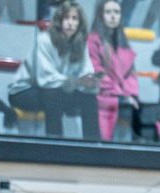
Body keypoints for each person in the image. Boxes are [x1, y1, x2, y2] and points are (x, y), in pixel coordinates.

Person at [7, 0, 101, 140]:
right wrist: (77, 82)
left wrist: (91, 83)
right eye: (66, 18)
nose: (70, 22)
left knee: (89, 99)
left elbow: (86, 73)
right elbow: (46, 79)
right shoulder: (45, 40)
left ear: (80, 23)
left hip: (59, 88)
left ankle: (94, 147)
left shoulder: (81, 44)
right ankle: (55, 145)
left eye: (74, 19)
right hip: (24, 91)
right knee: (53, 94)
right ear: (59, 20)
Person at [87, 0, 140, 142]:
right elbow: (97, 72)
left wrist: (131, 95)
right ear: (100, 15)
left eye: (116, 12)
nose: (113, 16)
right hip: (101, 98)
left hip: (120, 98)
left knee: (145, 116)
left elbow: (130, 75)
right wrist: (122, 95)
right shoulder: (92, 41)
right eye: (108, 12)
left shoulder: (123, 42)